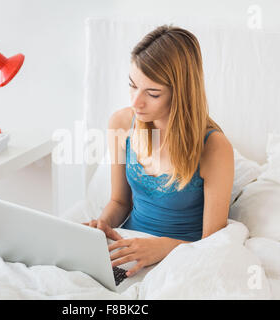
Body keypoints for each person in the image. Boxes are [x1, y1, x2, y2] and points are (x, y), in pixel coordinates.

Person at [82, 25, 234, 277]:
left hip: (183, 258)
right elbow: (120, 201)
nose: (135, 102)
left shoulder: (214, 148)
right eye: (132, 86)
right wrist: (102, 227)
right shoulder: (121, 123)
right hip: (128, 250)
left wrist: (162, 248)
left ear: (181, 94)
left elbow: (213, 244)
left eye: (152, 93)